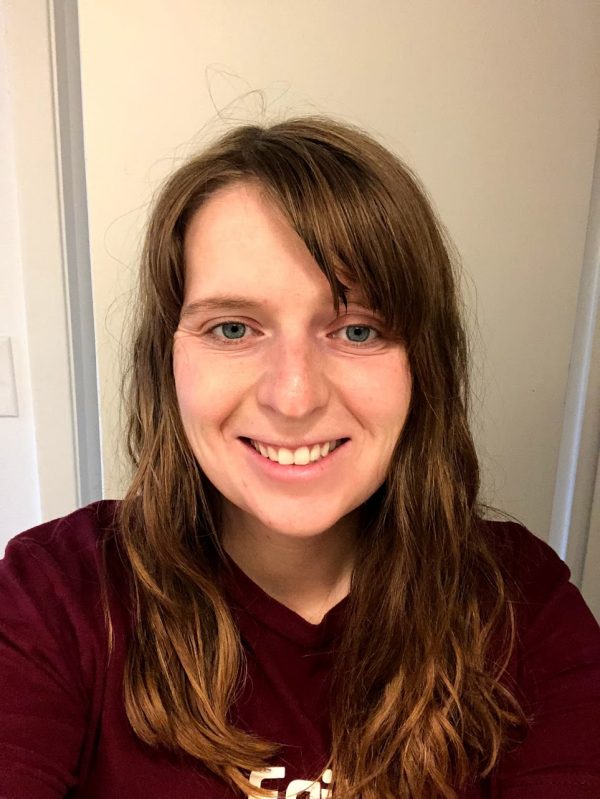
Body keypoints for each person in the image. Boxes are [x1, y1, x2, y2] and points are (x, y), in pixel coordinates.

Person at [1, 116, 599, 799]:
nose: (293, 396)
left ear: (422, 366)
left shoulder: (522, 606)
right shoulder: (55, 598)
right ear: (167, 361)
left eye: (356, 328)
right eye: (232, 327)